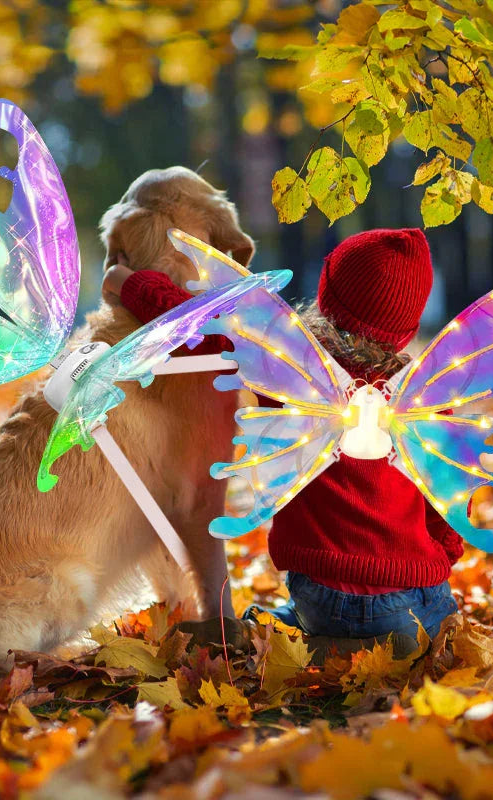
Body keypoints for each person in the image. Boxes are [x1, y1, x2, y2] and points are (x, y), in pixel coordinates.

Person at [103, 228, 462, 643]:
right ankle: (364, 641)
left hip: (323, 595)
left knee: (309, 613)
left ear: (329, 294)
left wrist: (123, 279)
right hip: (415, 603)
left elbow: (190, 322)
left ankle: (310, 631)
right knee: (424, 622)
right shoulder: (426, 396)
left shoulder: (287, 365)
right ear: (407, 325)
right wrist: (435, 560)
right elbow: (449, 499)